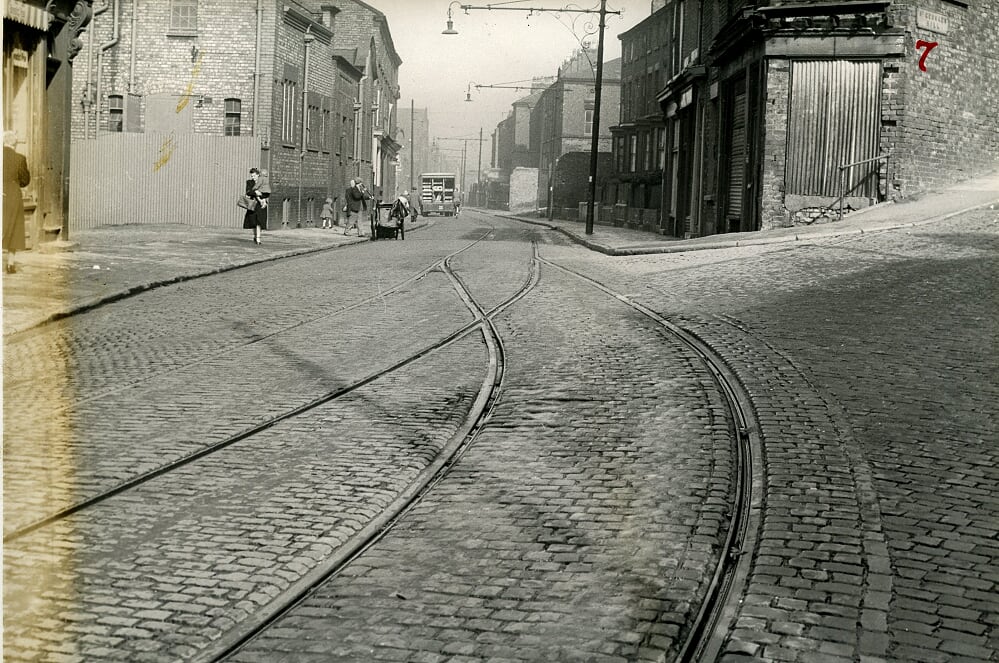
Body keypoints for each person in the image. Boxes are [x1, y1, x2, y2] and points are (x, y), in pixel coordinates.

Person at [3, 131, 30, 274]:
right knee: (13, 228)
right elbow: (25, 181)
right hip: (13, 195)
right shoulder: (20, 158)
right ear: (15, 143)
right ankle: (10, 264)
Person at [243, 167, 271, 244]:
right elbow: (248, 192)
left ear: (258, 175)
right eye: (252, 176)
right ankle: (255, 236)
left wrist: (261, 196)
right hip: (253, 204)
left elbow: (267, 193)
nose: (253, 177)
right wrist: (256, 192)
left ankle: (258, 238)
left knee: (259, 221)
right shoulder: (249, 182)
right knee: (253, 222)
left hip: (261, 204)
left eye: (254, 176)